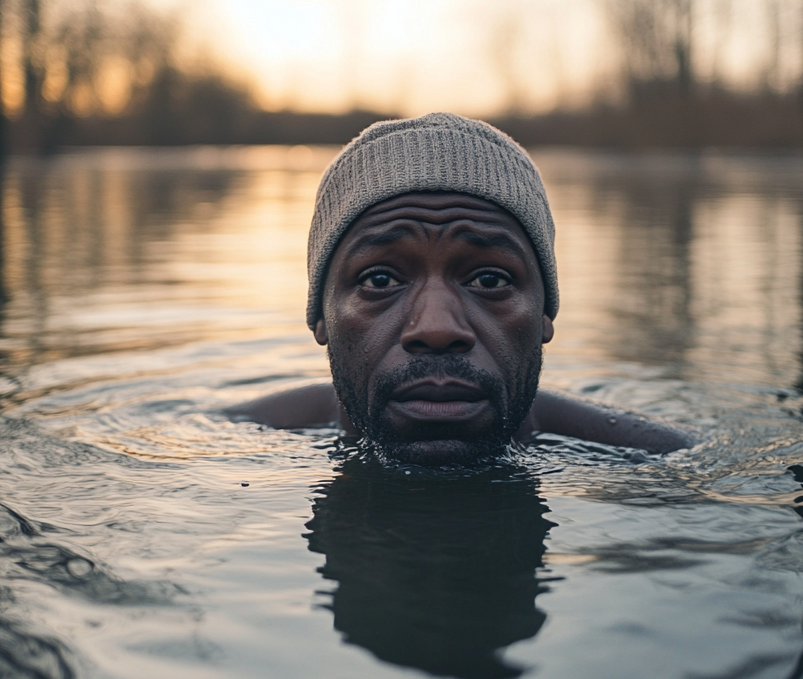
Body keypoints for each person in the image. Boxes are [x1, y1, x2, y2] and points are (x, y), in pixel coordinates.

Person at [238, 112, 692, 464]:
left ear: (544, 315)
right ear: (320, 315)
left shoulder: (666, 462)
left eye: (489, 280)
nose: (436, 328)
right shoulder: (228, 439)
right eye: (380, 280)